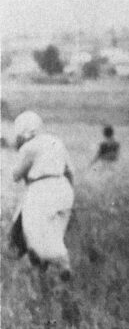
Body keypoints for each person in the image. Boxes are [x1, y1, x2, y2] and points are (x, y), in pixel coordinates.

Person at [8, 111, 76, 285]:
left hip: (41, 190)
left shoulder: (28, 148)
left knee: (34, 234)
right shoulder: (56, 142)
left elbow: (16, 175)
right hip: (63, 189)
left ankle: (61, 264)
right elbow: (70, 172)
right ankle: (49, 274)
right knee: (55, 233)